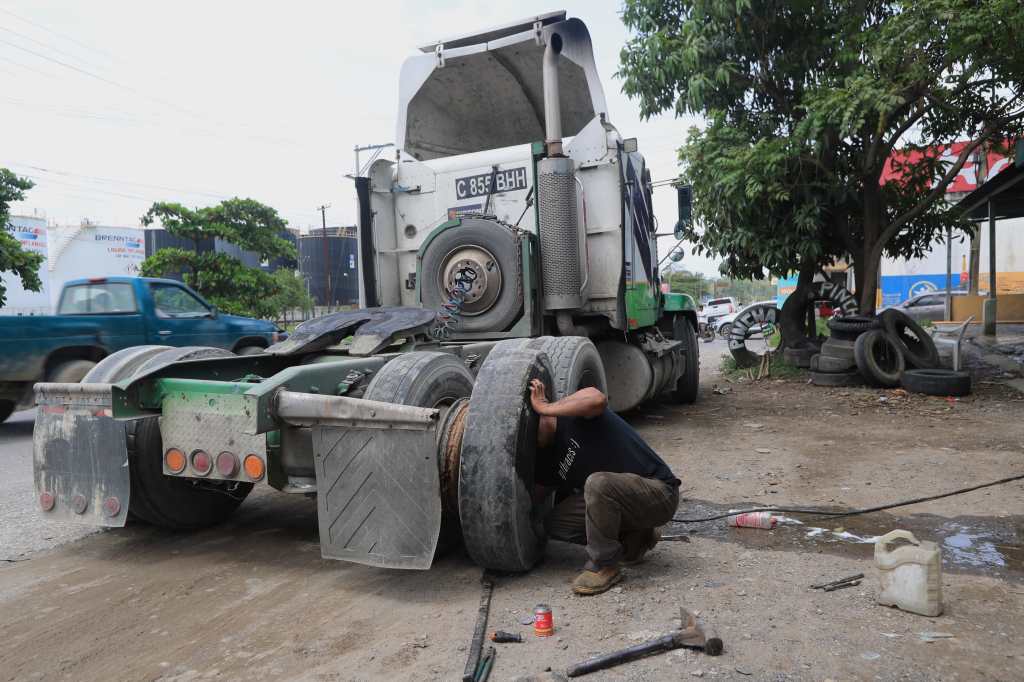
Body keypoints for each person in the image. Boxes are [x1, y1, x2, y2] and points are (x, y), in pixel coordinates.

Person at [529, 379, 681, 595]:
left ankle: (605, 565)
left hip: (659, 493)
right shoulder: (546, 460)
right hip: (621, 502)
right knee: (556, 524)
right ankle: (636, 539)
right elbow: (531, 497)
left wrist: (544, 407)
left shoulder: (575, 415)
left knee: (598, 483)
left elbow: (596, 398)